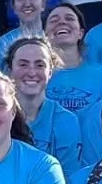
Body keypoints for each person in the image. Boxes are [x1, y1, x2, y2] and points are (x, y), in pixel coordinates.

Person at [44, 3, 102, 151]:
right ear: (45, 34)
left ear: (81, 33)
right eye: (54, 20)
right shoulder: (37, 78)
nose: (62, 22)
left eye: (69, 18)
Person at [7, 36, 82, 173]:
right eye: (23, 64)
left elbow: (68, 177)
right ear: (10, 69)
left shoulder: (65, 120)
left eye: (40, 65)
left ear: (50, 72)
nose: (31, 72)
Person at [0, 0, 49, 66]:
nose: (27, 4)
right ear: (14, 8)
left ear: (43, 5)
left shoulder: (54, 37)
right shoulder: (3, 42)